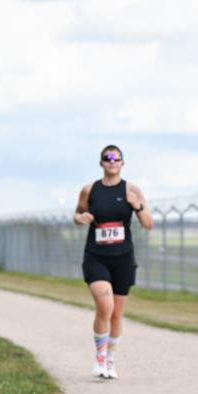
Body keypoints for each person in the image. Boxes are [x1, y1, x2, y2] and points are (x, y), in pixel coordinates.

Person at [74, 145, 154, 379]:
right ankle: (99, 360)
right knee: (105, 306)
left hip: (123, 258)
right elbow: (77, 215)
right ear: (101, 163)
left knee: (117, 313)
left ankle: (110, 361)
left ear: (122, 163)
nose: (112, 162)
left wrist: (136, 205)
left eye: (116, 159)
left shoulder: (132, 190)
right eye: (107, 159)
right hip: (96, 256)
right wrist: (82, 217)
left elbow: (149, 224)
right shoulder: (90, 190)